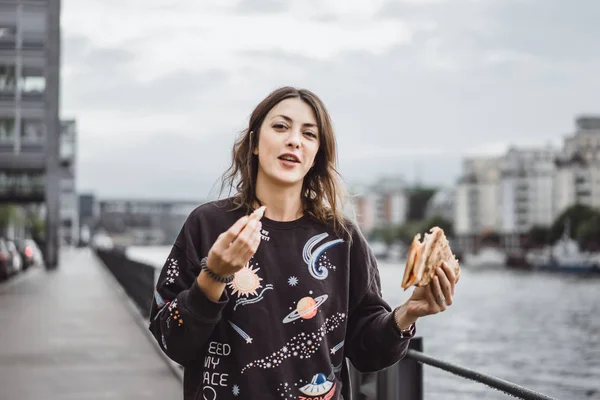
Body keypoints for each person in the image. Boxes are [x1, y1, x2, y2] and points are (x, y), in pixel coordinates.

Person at [149, 86, 458, 400]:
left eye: (309, 134)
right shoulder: (208, 224)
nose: (294, 140)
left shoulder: (342, 238)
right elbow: (170, 339)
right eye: (281, 126)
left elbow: (368, 352)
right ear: (254, 143)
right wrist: (213, 276)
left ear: (316, 155)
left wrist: (408, 314)